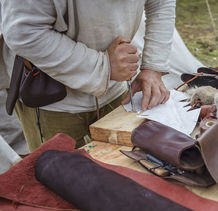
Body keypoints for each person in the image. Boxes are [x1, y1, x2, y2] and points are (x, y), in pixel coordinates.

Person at [0, 0, 176, 151]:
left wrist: (153, 66)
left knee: (121, 172)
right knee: (60, 182)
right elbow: (24, 32)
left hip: (115, 91)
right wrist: (103, 66)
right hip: (53, 101)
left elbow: (161, 3)